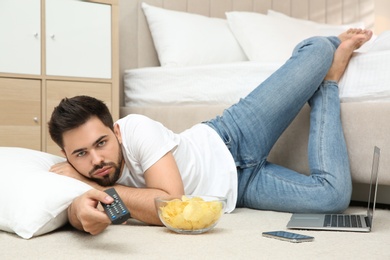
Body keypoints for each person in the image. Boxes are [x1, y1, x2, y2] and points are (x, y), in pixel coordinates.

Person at [48, 29, 373, 235]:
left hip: (233, 136)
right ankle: (328, 83)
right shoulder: (71, 174)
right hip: (239, 189)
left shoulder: (135, 127)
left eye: (101, 143)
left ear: (116, 131)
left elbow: (169, 204)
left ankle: (331, 53)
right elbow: (77, 213)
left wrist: (88, 183)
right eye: (81, 154)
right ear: (66, 155)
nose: (96, 159)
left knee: (317, 47)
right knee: (334, 197)